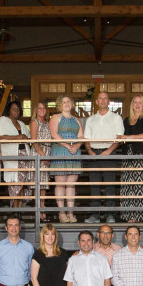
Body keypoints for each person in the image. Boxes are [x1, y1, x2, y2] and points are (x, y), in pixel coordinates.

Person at [83, 92, 123, 224]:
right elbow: (87, 139)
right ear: (96, 101)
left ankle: (110, 214)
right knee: (94, 185)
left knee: (109, 185)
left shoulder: (116, 117)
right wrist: (89, 151)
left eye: (105, 98)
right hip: (93, 153)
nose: (103, 100)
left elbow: (119, 137)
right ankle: (95, 215)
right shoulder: (91, 119)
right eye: (100, 98)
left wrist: (109, 151)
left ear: (109, 101)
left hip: (109, 152)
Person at [118, 94, 143, 223]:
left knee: (141, 186)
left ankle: (142, 216)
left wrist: (129, 137)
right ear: (132, 104)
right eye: (135, 102)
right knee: (128, 186)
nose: (137, 105)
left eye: (140, 102)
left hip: (141, 155)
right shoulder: (126, 120)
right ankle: (130, 215)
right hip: (128, 155)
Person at [49, 94, 83, 223]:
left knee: (71, 185)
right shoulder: (56, 117)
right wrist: (67, 145)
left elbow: (81, 136)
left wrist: (77, 145)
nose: (67, 104)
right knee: (60, 183)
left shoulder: (77, 120)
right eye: (64, 102)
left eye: (68, 101)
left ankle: (70, 212)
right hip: (60, 150)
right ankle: (62, 213)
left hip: (74, 152)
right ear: (59, 105)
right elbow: (54, 134)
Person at [0, 100, 31, 207]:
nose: (16, 111)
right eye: (13, 109)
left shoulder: (21, 124)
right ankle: (15, 213)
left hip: (24, 156)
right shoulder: (3, 120)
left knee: (23, 186)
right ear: (9, 110)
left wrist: (25, 138)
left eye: (18, 109)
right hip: (13, 158)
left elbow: (28, 138)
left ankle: (19, 212)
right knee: (15, 186)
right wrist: (18, 137)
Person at [29, 101, 52, 221]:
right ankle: (38, 211)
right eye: (39, 108)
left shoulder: (48, 123)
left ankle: (42, 208)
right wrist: (43, 156)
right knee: (38, 184)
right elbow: (34, 141)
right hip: (38, 153)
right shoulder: (34, 122)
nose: (42, 110)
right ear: (36, 110)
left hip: (47, 152)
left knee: (44, 185)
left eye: (44, 108)